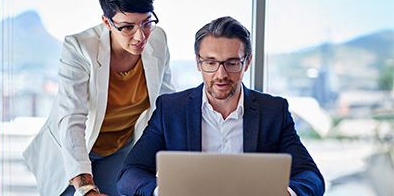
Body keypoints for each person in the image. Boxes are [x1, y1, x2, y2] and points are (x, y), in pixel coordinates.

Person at [117, 16, 325, 196]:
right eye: (210, 62)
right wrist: (162, 191)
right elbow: (129, 174)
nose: (221, 74)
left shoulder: (273, 111)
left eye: (232, 63)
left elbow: (311, 176)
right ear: (198, 63)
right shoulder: (171, 110)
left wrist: (288, 193)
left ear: (247, 62)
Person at [22, 0, 174, 195]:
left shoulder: (158, 39)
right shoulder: (79, 48)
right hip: (75, 149)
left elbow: (166, 103)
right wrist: (85, 187)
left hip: (121, 148)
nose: (140, 37)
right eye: (128, 27)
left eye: (146, 23)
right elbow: (72, 117)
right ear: (107, 22)